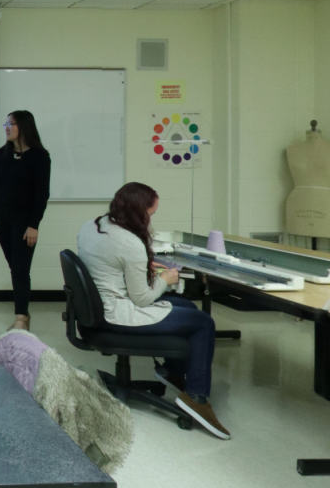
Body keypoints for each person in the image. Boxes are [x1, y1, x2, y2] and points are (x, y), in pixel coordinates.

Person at [76, 182, 230, 440]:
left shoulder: (93, 226)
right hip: (118, 314)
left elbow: (110, 263)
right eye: (150, 214)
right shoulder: (130, 243)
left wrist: (141, 268)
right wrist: (165, 279)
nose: (150, 220)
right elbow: (143, 299)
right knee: (203, 322)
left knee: (187, 306)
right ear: (138, 212)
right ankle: (197, 398)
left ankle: (172, 371)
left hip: (97, 309)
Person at [0, 110, 51, 330]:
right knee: (14, 266)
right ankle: (23, 314)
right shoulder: (2, 154)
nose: (6, 127)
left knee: (21, 269)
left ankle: (21, 317)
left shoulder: (40, 157)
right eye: (6, 123)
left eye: (11, 124)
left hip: (25, 222)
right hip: (2, 219)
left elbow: (42, 194)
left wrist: (34, 225)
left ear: (24, 127)